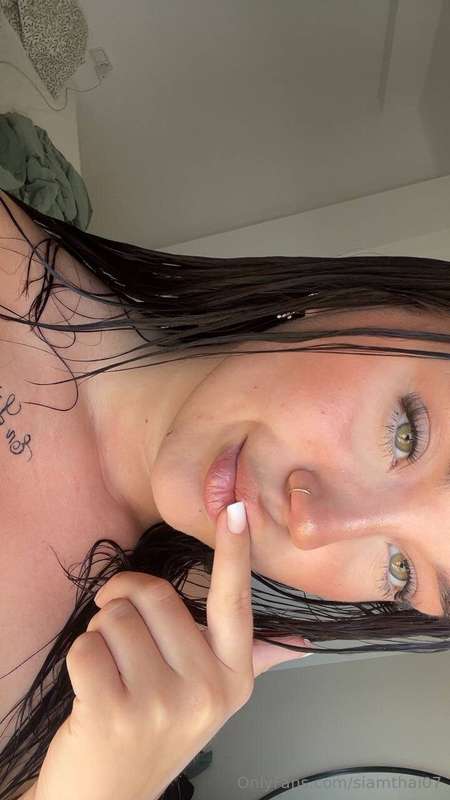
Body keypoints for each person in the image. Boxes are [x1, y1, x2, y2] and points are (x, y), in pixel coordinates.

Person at [0, 188, 448, 799]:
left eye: (401, 570)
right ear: (370, 302)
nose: (312, 525)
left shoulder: (119, 678)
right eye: (406, 433)